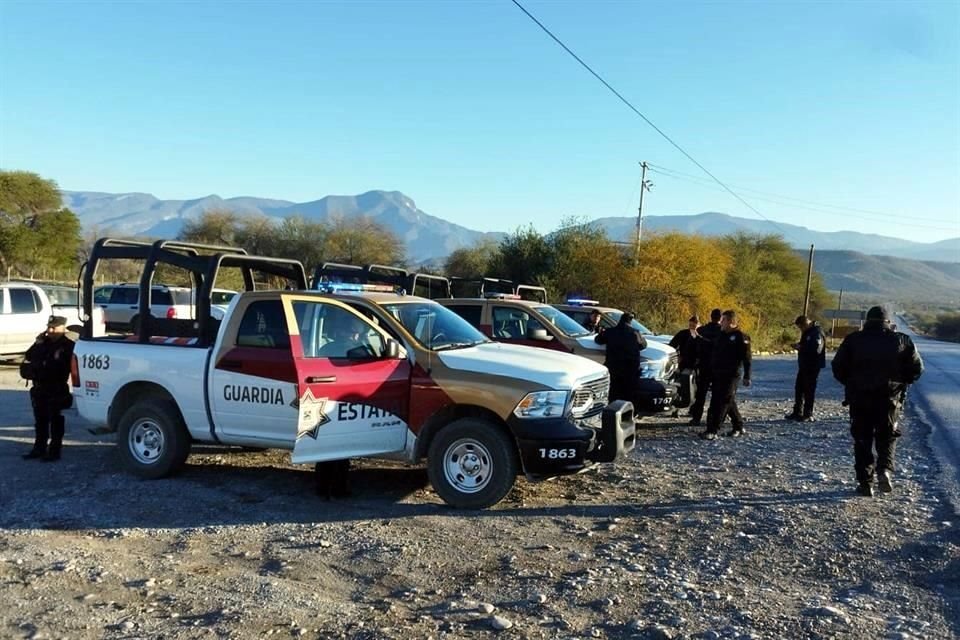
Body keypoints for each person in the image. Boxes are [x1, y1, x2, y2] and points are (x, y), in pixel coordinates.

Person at [832, 306, 923, 497]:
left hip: (860, 397)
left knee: (862, 439)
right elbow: (916, 368)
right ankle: (884, 470)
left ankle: (865, 483)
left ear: (867, 321)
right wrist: (901, 382)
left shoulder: (853, 340)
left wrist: (851, 383)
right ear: (887, 322)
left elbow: (838, 367)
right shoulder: (901, 340)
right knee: (887, 436)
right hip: (889, 398)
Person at [21, 315, 75, 462]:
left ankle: (54, 451)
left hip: (56, 387)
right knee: (40, 420)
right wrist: (37, 343)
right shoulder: (42, 343)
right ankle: (39, 448)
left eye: (54, 328)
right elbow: (29, 356)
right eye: (49, 327)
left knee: (55, 420)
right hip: (39, 387)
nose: (50, 330)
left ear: (63, 328)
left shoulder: (68, 346)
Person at [700, 310, 751, 440]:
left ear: (731, 322)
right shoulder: (721, 335)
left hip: (731, 375)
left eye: (723, 320)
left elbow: (747, 358)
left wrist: (747, 376)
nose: (721, 322)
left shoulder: (741, 337)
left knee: (722, 402)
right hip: (718, 374)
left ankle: (713, 430)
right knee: (728, 401)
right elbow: (713, 347)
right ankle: (738, 426)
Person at [595, 311, 647, 405]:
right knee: (628, 392)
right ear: (630, 321)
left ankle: (613, 408)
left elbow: (598, 340)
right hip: (630, 368)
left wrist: (601, 333)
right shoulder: (635, 333)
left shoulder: (610, 331)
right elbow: (643, 345)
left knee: (614, 391)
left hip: (614, 366)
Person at [786, 315, 826, 422]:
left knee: (809, 390)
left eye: (801, 327)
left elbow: (816, 349)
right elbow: (806, 344)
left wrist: (801, 348)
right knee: (799, 388)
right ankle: (797, 411)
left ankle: (808, 413)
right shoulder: (808, 332)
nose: (801, 330)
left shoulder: (816, 332)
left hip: (813, 366)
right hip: (804, 365)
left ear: (806, 324)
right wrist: (799, 345)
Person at [688, 308, 722, 426]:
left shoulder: (702, 330)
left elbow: (693, 345)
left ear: (710, 316)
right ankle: (713, 418)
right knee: (717, 395)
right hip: (718, 367)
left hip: (704, 365)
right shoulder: (722, 332)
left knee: (701, 394)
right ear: (720, 318)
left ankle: (696, 417)